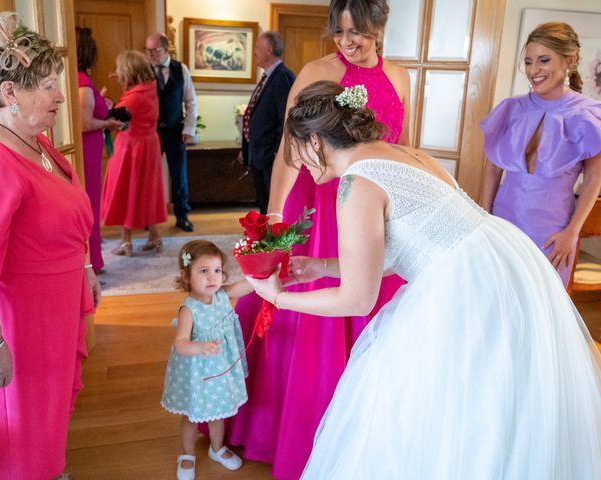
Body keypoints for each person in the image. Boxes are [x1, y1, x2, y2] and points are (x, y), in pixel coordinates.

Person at [247, 80, 601, 479]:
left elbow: (357, 300)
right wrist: (323, 266)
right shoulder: (405, 153)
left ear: (314, 141)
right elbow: (419, 243)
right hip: (500, 261)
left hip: (464, 291)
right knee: (507, 397)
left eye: (296, 153)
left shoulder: (356, 183)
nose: (300, 165)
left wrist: (277, 298)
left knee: (447, 411)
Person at [226, 1, 411, 477]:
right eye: (340, 32)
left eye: (359, 32)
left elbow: (393, 144)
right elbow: (294, 146)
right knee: (317, 315)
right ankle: (303, 434)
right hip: (319, 202)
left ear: (380, 28)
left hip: (370, 201)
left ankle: (363, 433)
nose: (348, 42)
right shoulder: (318, 72)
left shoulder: (399, 77)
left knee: (370, 299)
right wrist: (273, 214)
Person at [0, 13, 101, 479]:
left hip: (51, 313)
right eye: (46, 84)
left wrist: (84, 270)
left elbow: (65, 216)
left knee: (44, 423)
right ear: (9, 93)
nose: (60, 94)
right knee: (18, 431)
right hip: (18, 323)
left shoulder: (36, 141)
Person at [480, 22, 601, 286]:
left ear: (570, 60)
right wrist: (484, 217)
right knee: (496, 293)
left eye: (543, 60)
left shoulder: (588, 115)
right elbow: (492, 168)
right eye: (528, 62)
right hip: (504, 221)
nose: (533, 71)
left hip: (552, 229)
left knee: (542, 302)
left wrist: (572, 232)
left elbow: (593, 179)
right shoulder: (511, 109)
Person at [161, 240, 253, 480]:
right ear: (186, 275)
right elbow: (180, 343)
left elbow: (245, 286)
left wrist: (262, 276)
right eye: (203, 271)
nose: (212, 277)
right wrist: (199, 346)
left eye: (217, 270)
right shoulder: (188, 310)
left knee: (218, 412)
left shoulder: (221, 295)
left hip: (220, 369)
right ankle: (187, 453)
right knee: (193, 415)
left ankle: (216, 448)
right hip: (197, 374)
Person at [101, 50, 167, 256]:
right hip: (150, 144)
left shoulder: (134, 98)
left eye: (121, 71)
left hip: (131, 147)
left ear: (128, 72)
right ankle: (154, 236)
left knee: (126, 190)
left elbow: (112, 117)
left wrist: (101, 100)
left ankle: (126, 241)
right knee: (148, 191)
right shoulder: (150, 88)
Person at [76, 26, 124, 273]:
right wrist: (108, 122)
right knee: (89, 205)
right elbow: (84, 123)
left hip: (90, 150)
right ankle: (91, 262)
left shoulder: (77, 80)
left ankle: (91, 258)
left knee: (90, 204)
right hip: (87, 151)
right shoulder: (83, 81)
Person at [145, 32, 198, 232]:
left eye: (155, 50)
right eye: (148, 50)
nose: (150, 55)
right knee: (149, 176)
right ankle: (148, 217)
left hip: (176, 130)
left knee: (179, 175)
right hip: (150, 132)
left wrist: (189, 128)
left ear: (166, 49)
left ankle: (182, 216)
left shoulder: (180, 69)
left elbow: (191, 101)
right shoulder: (144, 71)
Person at [240, 31, 295, 214]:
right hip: (259, 155)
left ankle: (271, 241)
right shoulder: (269, 76)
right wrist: (247, 148)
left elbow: (286, 120)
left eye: (257, 47)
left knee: (273, 208)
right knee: (263, 204)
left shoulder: (282, 77)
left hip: (270, 158)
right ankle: (264, 239)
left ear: (269, 50)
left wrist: (275, 153)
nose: (255, 52)